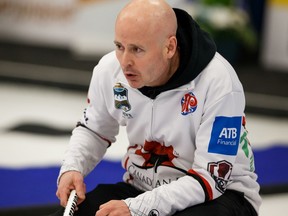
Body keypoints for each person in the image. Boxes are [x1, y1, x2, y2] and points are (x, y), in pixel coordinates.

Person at [50, 0, 261, 215]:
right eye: (119, 46)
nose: (125, 62)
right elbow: (94, 129)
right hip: (141, 188)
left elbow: (211, 179)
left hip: (221, 196)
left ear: (169, 47)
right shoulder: (110, 70)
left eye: (137, 50)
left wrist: (137, 208)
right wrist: (72, 168)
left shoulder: (218, 81)